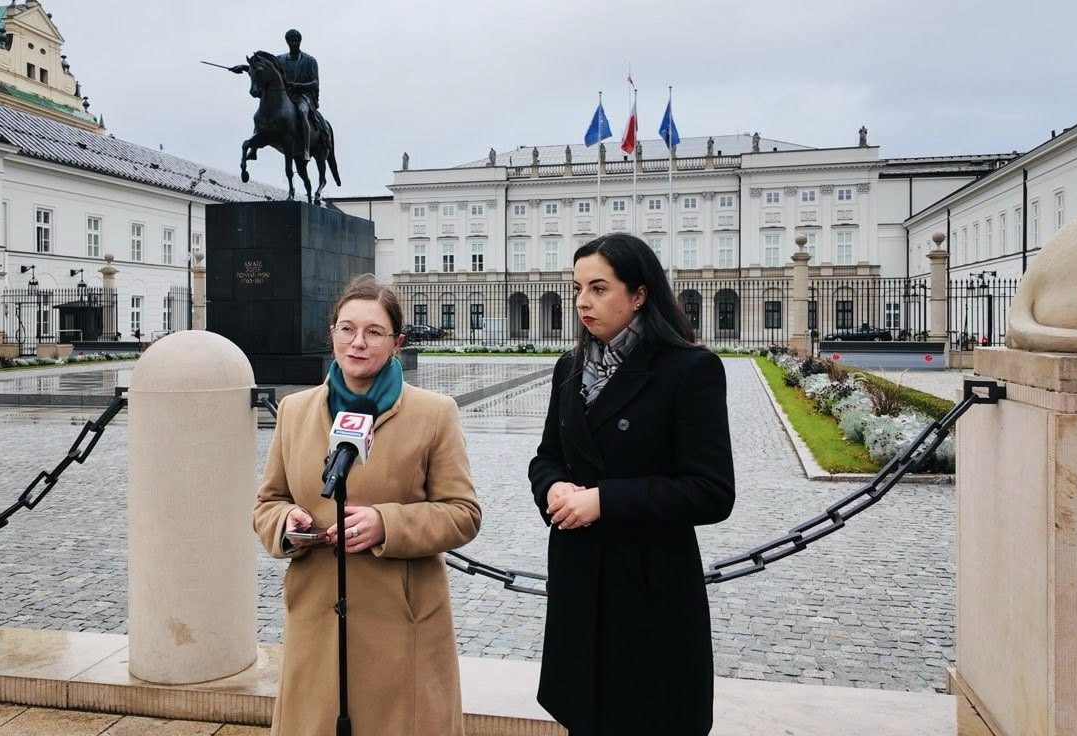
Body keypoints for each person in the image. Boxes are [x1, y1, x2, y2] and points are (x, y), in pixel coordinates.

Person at [254, 274, 481, 735]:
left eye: (374, 332)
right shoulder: (295, 410)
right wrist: (285, 522)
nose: (357, 343)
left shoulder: (433, 413)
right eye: (347, 329)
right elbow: (268, 502)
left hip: (401, 621)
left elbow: (462, 513)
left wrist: (387, 523)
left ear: (397, 342)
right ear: (332, 333)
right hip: (317, 617)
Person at [528, 232, 735, 734]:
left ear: (639, 294)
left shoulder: (690, 369)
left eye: (598, 288)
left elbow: (711, 491)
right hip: (579, 584)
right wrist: (552, 487)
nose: (582, 301)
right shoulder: (570, 368)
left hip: (650, 591)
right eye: (577, 288)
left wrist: (606, 501)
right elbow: (547, 458)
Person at [230, 29, 320, 160]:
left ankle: (306, 149)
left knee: (302, 111)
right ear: (287, 42)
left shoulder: (310, 60)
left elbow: (315, 83)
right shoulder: (280, 59)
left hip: (302, 96)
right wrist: (243, 67)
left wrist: (297, 85)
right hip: (284, 95)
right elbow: (261, 68)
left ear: (300, 41)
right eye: (291, 41)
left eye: (296, 41)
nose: (294, 43)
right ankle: (253, 149)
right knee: (261, 114)